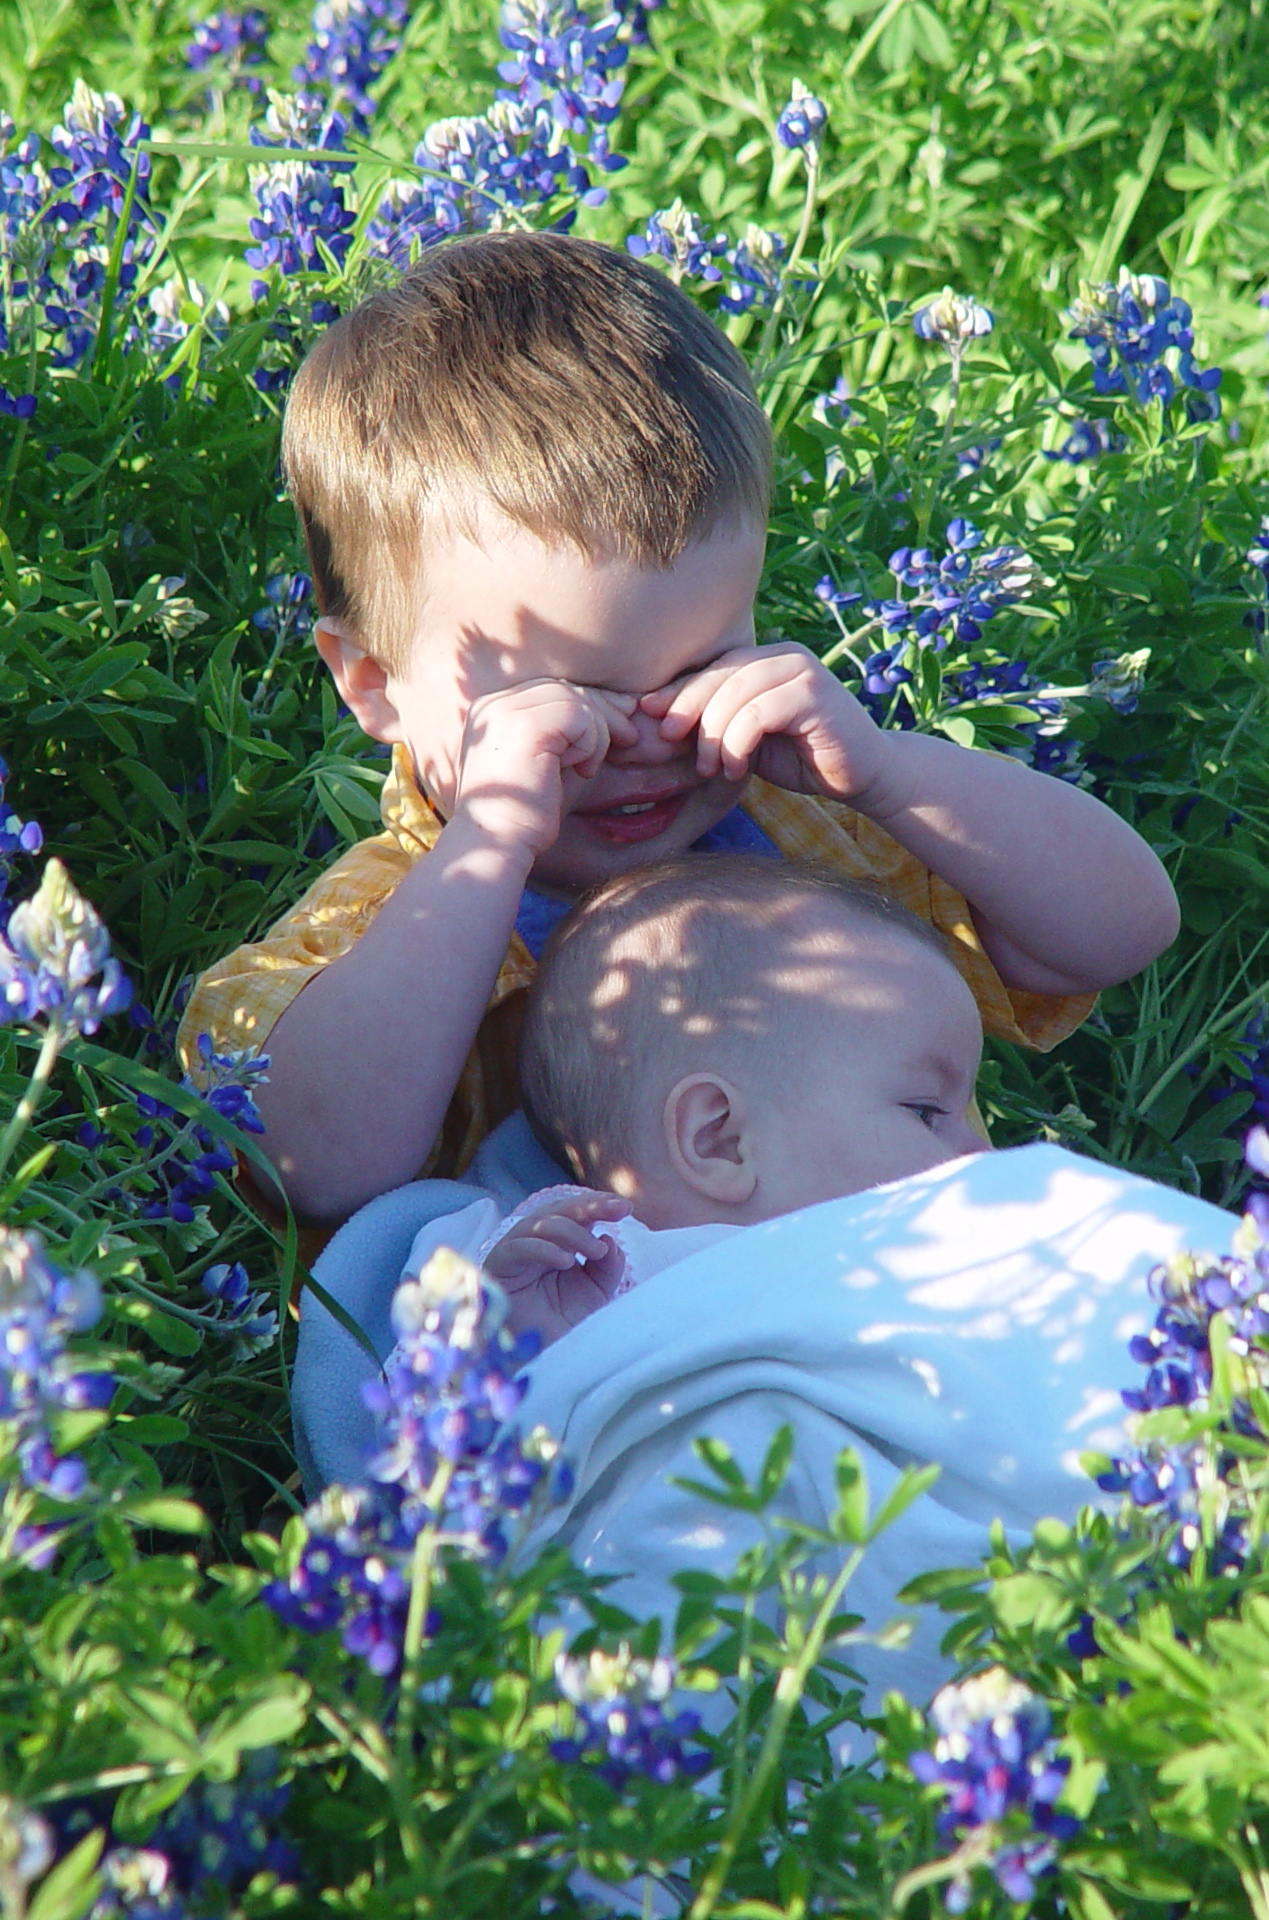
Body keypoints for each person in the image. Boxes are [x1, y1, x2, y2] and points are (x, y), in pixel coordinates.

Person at [178, 228, 1178, 1225]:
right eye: (561, 696)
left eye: (698, 666)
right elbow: (315, 1159)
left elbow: (1116, 933)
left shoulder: (810, 839)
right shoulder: (369, 926)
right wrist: (485, 845)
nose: (643, 736)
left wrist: (886, 770)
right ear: (371, 684)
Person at [401, 856, 992, 1348]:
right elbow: (433, 1431)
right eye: (925, 1111)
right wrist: (504, 1331)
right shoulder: (588, 1272)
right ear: (720, 1140)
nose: (982, 1154)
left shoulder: (957, 1265)